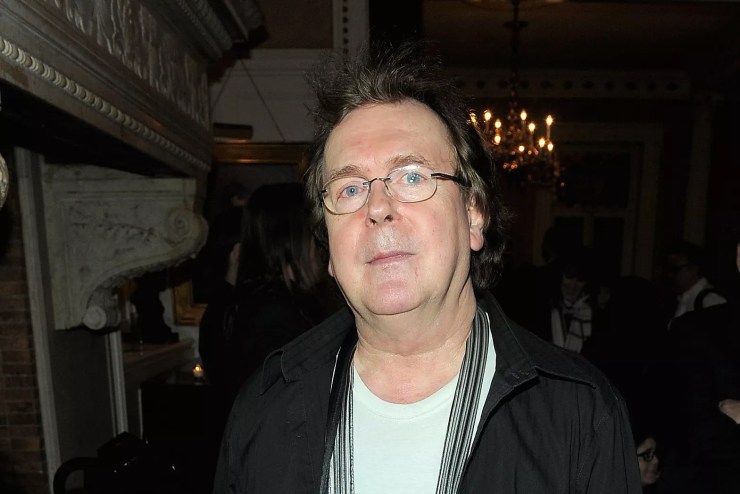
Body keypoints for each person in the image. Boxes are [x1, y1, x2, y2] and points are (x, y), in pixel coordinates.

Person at [213, 42, 641, 493]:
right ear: (329, 250)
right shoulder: (264, 405)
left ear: (473, 215)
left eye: (412, 176)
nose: (377, 207)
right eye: (350, 189)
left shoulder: (580, 414)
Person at [198, 182, 331, 491]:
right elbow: (282, 425)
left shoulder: (256, 301)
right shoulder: (272, 313)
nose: (322, 244)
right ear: (293, 236)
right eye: (315, 233)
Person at [665, 240, 726, 323]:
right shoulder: (676, 300)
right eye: (668, 269)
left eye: (675, 269)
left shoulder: (710, 301)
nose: (670, 275)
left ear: (694, 268)